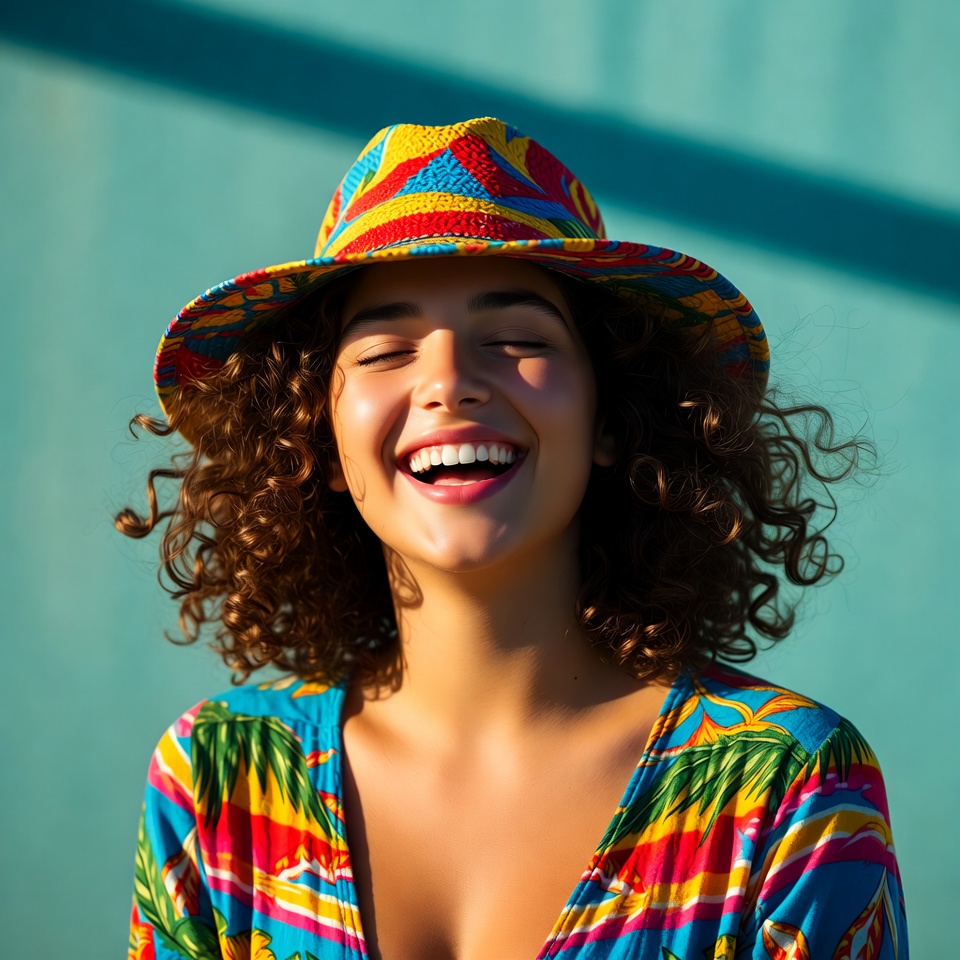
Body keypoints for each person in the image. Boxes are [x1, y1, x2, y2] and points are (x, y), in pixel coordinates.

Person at [120, 117, 907, 960]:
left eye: (519, 341)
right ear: (316, 439)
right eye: (386, 350)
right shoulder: (216, 782)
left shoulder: (789, 793)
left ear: (614, 416)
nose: (450, 382)